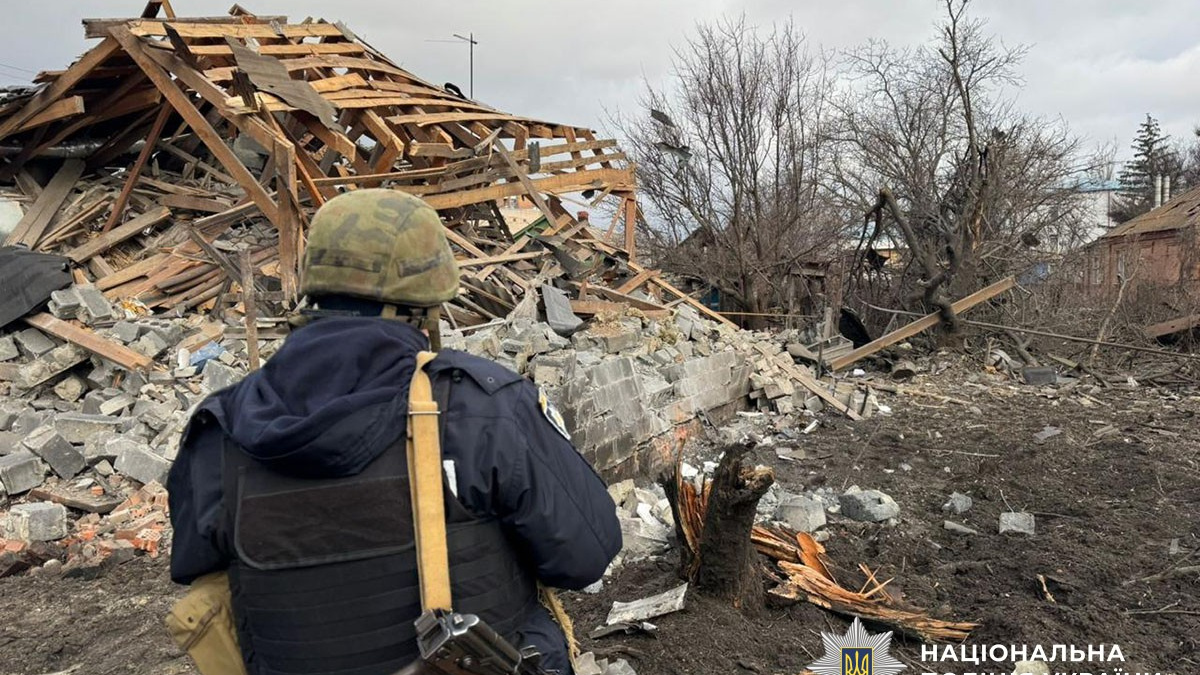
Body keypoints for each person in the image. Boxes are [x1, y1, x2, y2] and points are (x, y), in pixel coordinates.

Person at [167, 188, 622, 675]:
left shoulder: (221, 430)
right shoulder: (481, 409)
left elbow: (197, 569)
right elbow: (586, 555)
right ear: (425, 305)